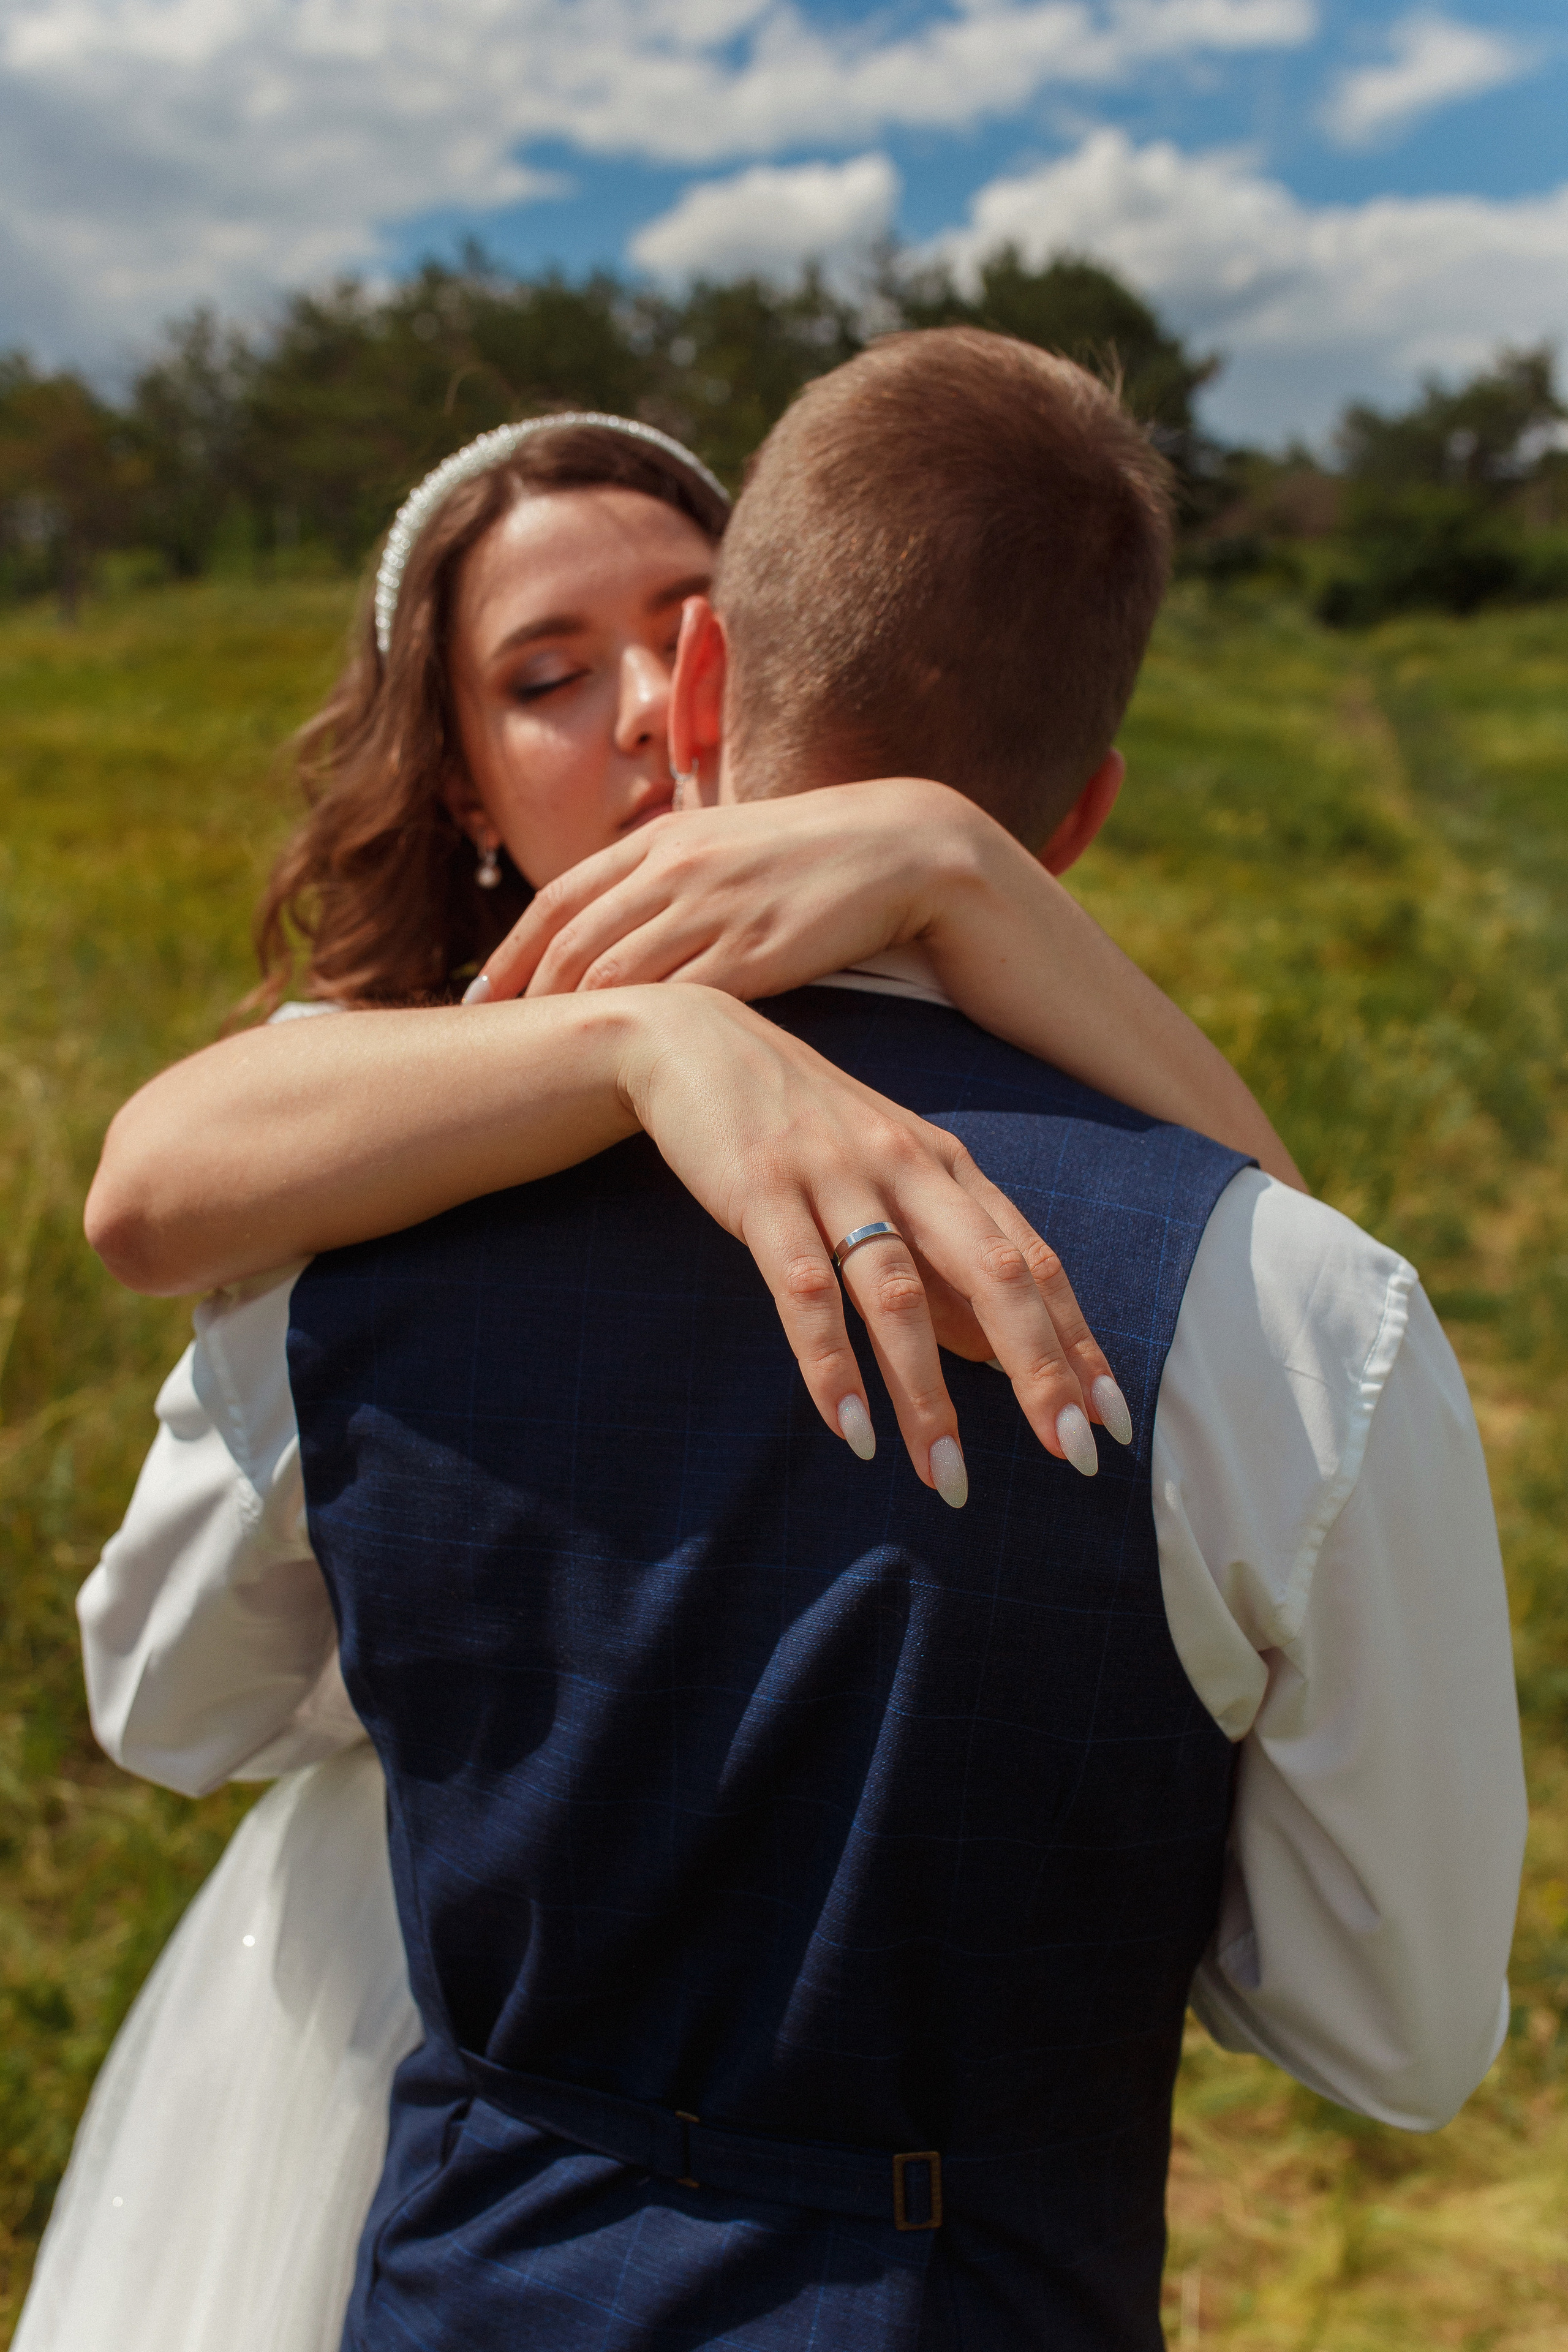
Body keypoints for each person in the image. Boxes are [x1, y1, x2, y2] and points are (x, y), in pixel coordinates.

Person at [28, 401, 1287, 2352]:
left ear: (741, 674)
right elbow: (145, 1196)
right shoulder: (380, 1095)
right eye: (543, 678)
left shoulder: (962, 980)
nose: (634, 712)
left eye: (679, 634)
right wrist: (647, 1044)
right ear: (460, 782)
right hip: (440, 1987)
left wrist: (956, 861)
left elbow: (1285, 1264)